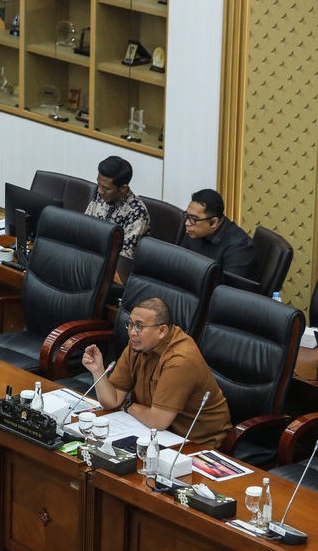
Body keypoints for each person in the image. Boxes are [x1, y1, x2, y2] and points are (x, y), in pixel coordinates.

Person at [81, 298, 231, 448]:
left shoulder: (179, 359)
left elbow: (158, 421)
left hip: (197, 443)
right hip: (156, 433)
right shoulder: (138, 345)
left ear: (162, 331)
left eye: (139, 326)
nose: (132, 332)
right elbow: (112, 401)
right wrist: (98, 371)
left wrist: (127, 405)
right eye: (130, 324)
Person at [84, 156, 150, 282]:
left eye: (106, 188)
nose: (100, 191)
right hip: (90, 259)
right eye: (99, 185)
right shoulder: (100, 194)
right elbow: (84, 226)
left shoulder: (137, 212)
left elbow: (123, 261)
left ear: (123, 189)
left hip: (114, 273)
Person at [179, 189, 256, 281]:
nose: (187, 223)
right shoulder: (195, 232)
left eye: (193, 219)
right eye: (187, 216)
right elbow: (179, 264)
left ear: (213, 222)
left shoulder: (240, 248)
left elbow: (228, 290)